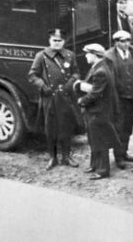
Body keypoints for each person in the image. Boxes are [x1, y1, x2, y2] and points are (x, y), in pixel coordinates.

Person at [27, 28, 80, 170]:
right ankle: (53, 157)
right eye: (54, 40)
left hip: (66, 97)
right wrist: (43, 86)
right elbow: (32, 75)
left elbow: (76, 73)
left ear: (64, 41)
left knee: (66, 127)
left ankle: (67, 156)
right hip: (50, 98)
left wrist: (70, 84)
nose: (57, 43)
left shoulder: (70, 55)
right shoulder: (41, 56)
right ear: (50, 41)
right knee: (50, 129)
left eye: (60, 41)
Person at [76, 43, 120, 180]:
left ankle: (102, 170)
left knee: (100, 141)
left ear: (95, 55)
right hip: (97, 111)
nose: (86, 57)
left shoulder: (100, 71)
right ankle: (95, 165)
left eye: (87, 54)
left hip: (98, 112)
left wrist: (81, 101)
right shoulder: (99, 67)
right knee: (94, 139)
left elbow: (95, 93)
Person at [104, 30, 133, 167]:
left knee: (128, 127)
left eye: (128, 41)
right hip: (118, 98)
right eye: (122, 41)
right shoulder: (109, 56)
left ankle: (124, 152)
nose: (126, 44)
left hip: (131, 97)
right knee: (118, 127)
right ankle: (118, 156)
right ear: (116, 42)